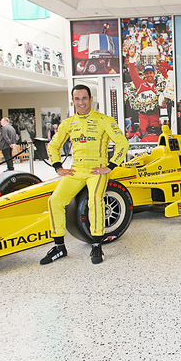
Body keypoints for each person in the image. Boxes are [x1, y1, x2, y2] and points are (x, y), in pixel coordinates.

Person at [42, 84, 129, 266]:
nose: (81, 102)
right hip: (76, 169)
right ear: (72, 101)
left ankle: (97, 244)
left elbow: (122, 143)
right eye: (77, 99)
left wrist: (111, 165)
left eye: (84, 98)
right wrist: (58, 166)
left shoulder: (104, 120)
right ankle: (59, 246)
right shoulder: (68, 123)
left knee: (95, 200)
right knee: (55, 200)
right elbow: (52, 145)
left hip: (97, 169)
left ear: (91, 99)